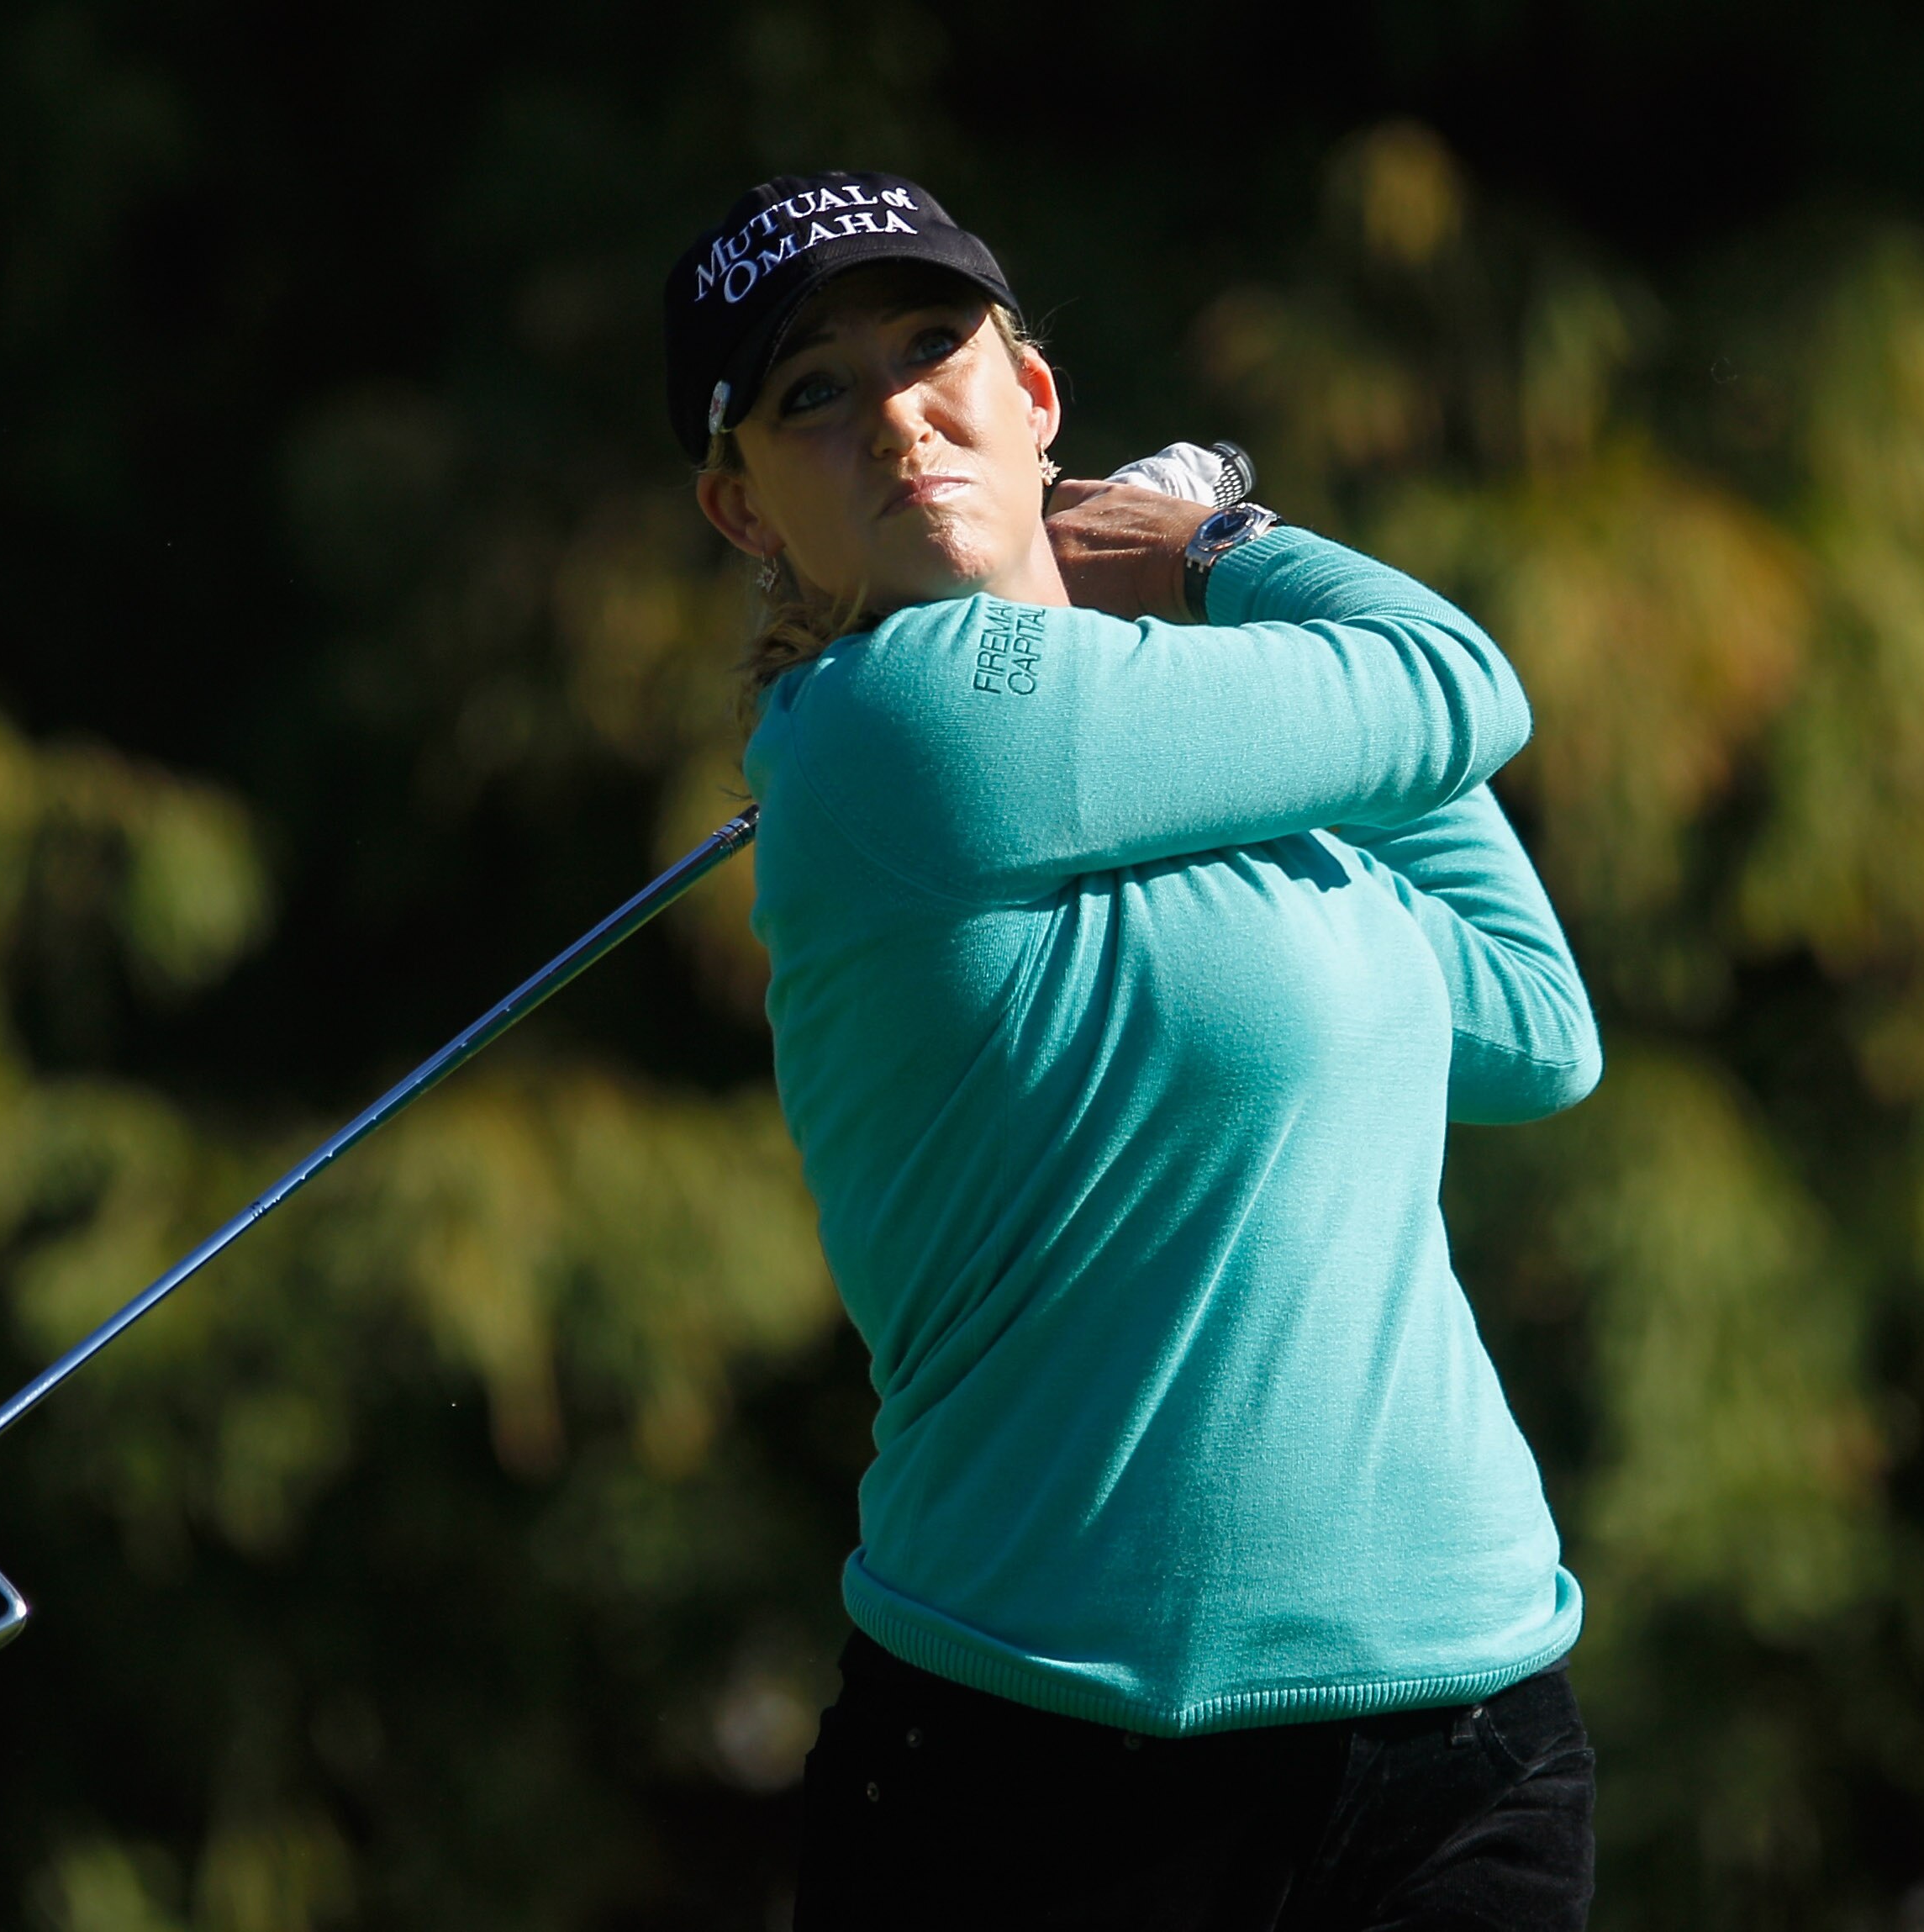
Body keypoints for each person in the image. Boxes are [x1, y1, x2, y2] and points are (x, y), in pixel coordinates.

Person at [663, 172, 1604, 1929]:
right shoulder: (894, 731)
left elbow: (1538, 1026)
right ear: (743, 509)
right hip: (1049, 1765)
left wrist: (1221, 638)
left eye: (938, 350)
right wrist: (1217, 555)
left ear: (1034, 403)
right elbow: (1460, 683)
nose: (896, 413)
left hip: (1466, 1725)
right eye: (813, 394)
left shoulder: (1217, 773)